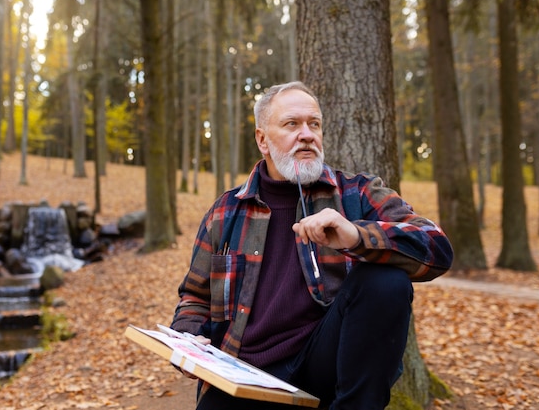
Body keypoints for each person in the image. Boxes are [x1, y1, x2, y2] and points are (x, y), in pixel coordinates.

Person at [170, 81, 453, 410]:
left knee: (385, 281)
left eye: (314, 124)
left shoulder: (356, 193)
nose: (306, 134)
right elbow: (194, 295)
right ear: (262, 139)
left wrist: (356, 236)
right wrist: (188, 337)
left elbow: (437, 247)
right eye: (292, 124)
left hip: (321, 366)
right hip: (243, 374)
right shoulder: (226, 211)